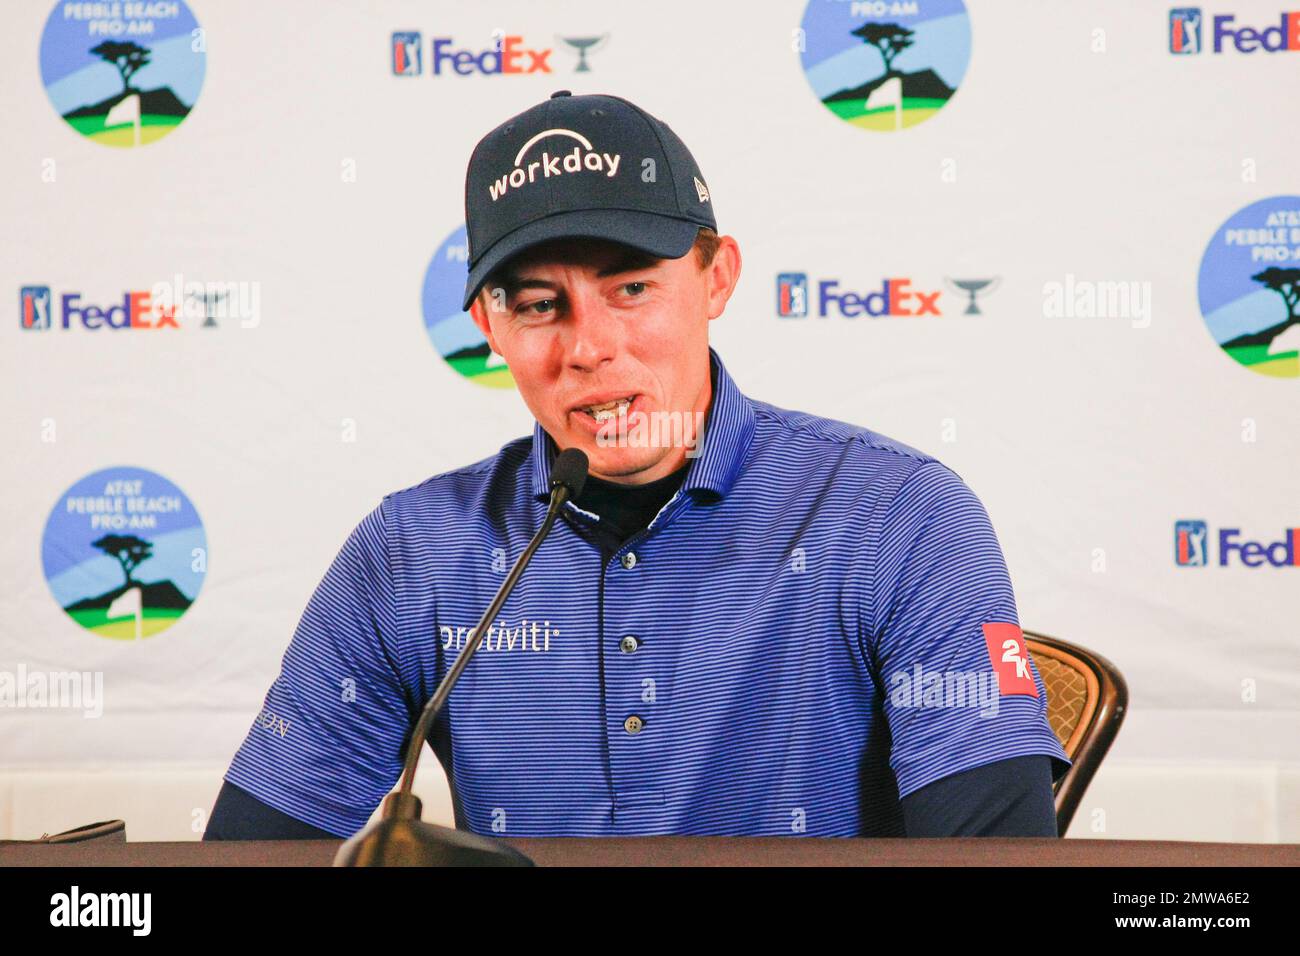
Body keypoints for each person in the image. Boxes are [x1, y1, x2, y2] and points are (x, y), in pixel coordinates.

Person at [205, 91, 1069, 841]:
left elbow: (996, 863)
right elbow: (248, 857)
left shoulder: (901, 517)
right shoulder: (409, 552)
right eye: (541, 305)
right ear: (488, 327)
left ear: (717, 277)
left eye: (632, 289)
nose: (590, 347)